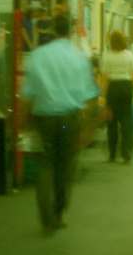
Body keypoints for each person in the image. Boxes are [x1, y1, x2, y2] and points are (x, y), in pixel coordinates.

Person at [20, 14, 99, 232]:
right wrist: (89, 127)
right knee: (65, 164)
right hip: (68, 120)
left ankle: (46, 217)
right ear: (71, 31)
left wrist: (23, 122)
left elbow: (27, 94)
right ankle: (60, 211)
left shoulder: (37, 56)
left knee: (46, 163)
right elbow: (90, 95)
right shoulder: (79, 58)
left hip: (44, 119)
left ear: (53, 30)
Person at [101, 29, 133, 163]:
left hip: (113, 88)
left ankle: (112, 154)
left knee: (111, 123)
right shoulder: (129, 55)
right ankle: (126, 154)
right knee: (126, 122)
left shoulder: (107, 55)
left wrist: (103, 97)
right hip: (126, 88)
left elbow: (105, 78)